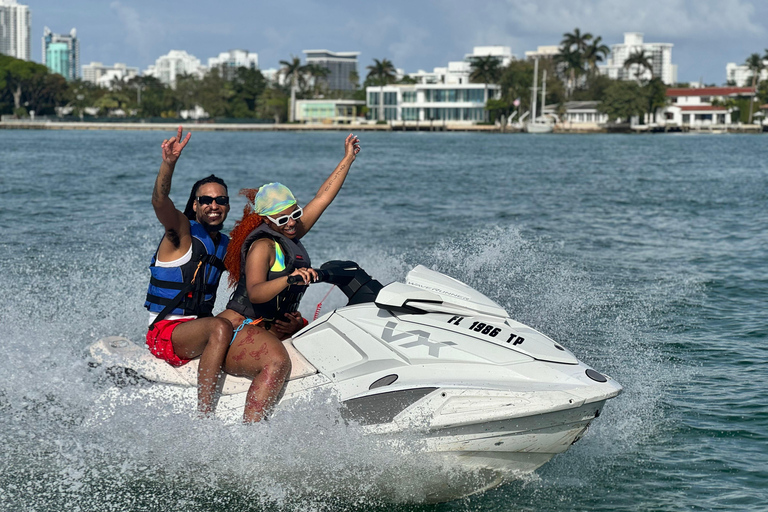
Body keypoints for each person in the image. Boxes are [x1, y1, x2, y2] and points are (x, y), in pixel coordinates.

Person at [218, 133, 361, 422]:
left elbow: (323, 197)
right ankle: (252, 432)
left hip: (273, 328)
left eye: (295, 213)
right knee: (276, 361)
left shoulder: (291, 230)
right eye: (283, 220)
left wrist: (347, 159)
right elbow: (257, 293)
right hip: (241, 329)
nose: (292, 222)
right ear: (267, 221)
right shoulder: (263, 246)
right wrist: (290, 279)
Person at [143, 126, 233, 418]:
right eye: (206, 200)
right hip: (167, 332)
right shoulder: (180, 233)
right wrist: (169, 164)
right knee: (220, 327)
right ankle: (205, 415)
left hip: (197, 326)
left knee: (244, 318)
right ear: (195, 205)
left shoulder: (226, 245)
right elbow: (159, 201)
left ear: (227, 206)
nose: (213, 205)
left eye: (220, 200)